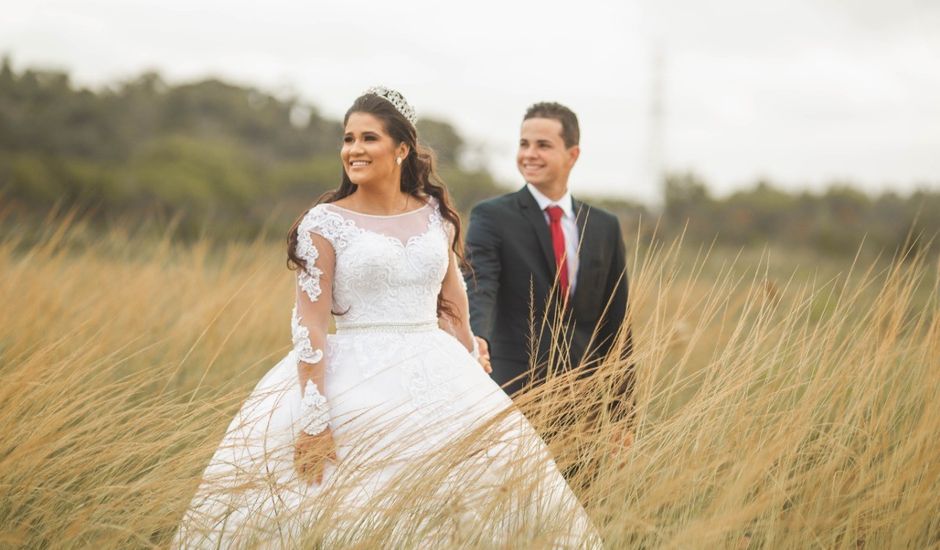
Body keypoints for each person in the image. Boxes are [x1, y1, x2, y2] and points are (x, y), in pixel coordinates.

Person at [173, 88, 601, 548]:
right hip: (352, 375)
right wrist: (314, 417)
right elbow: (311, 324)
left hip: (438, 374)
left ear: (401, 150)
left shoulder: (436, 216)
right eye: (348, 139)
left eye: (368, 138)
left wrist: (470, 360)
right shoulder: (324, 223)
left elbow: (454, 308)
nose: (354, 149)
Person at [465, 102, 634, 410]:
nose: (529, 154)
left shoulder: (604, 227)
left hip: (585, 397)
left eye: (543, 145)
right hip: (513, 392)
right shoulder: (491, 217)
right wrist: (477, 336)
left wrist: (621, 413)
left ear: (572, 155)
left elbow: (617, 325)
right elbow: (480, 286)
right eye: (523, 144)